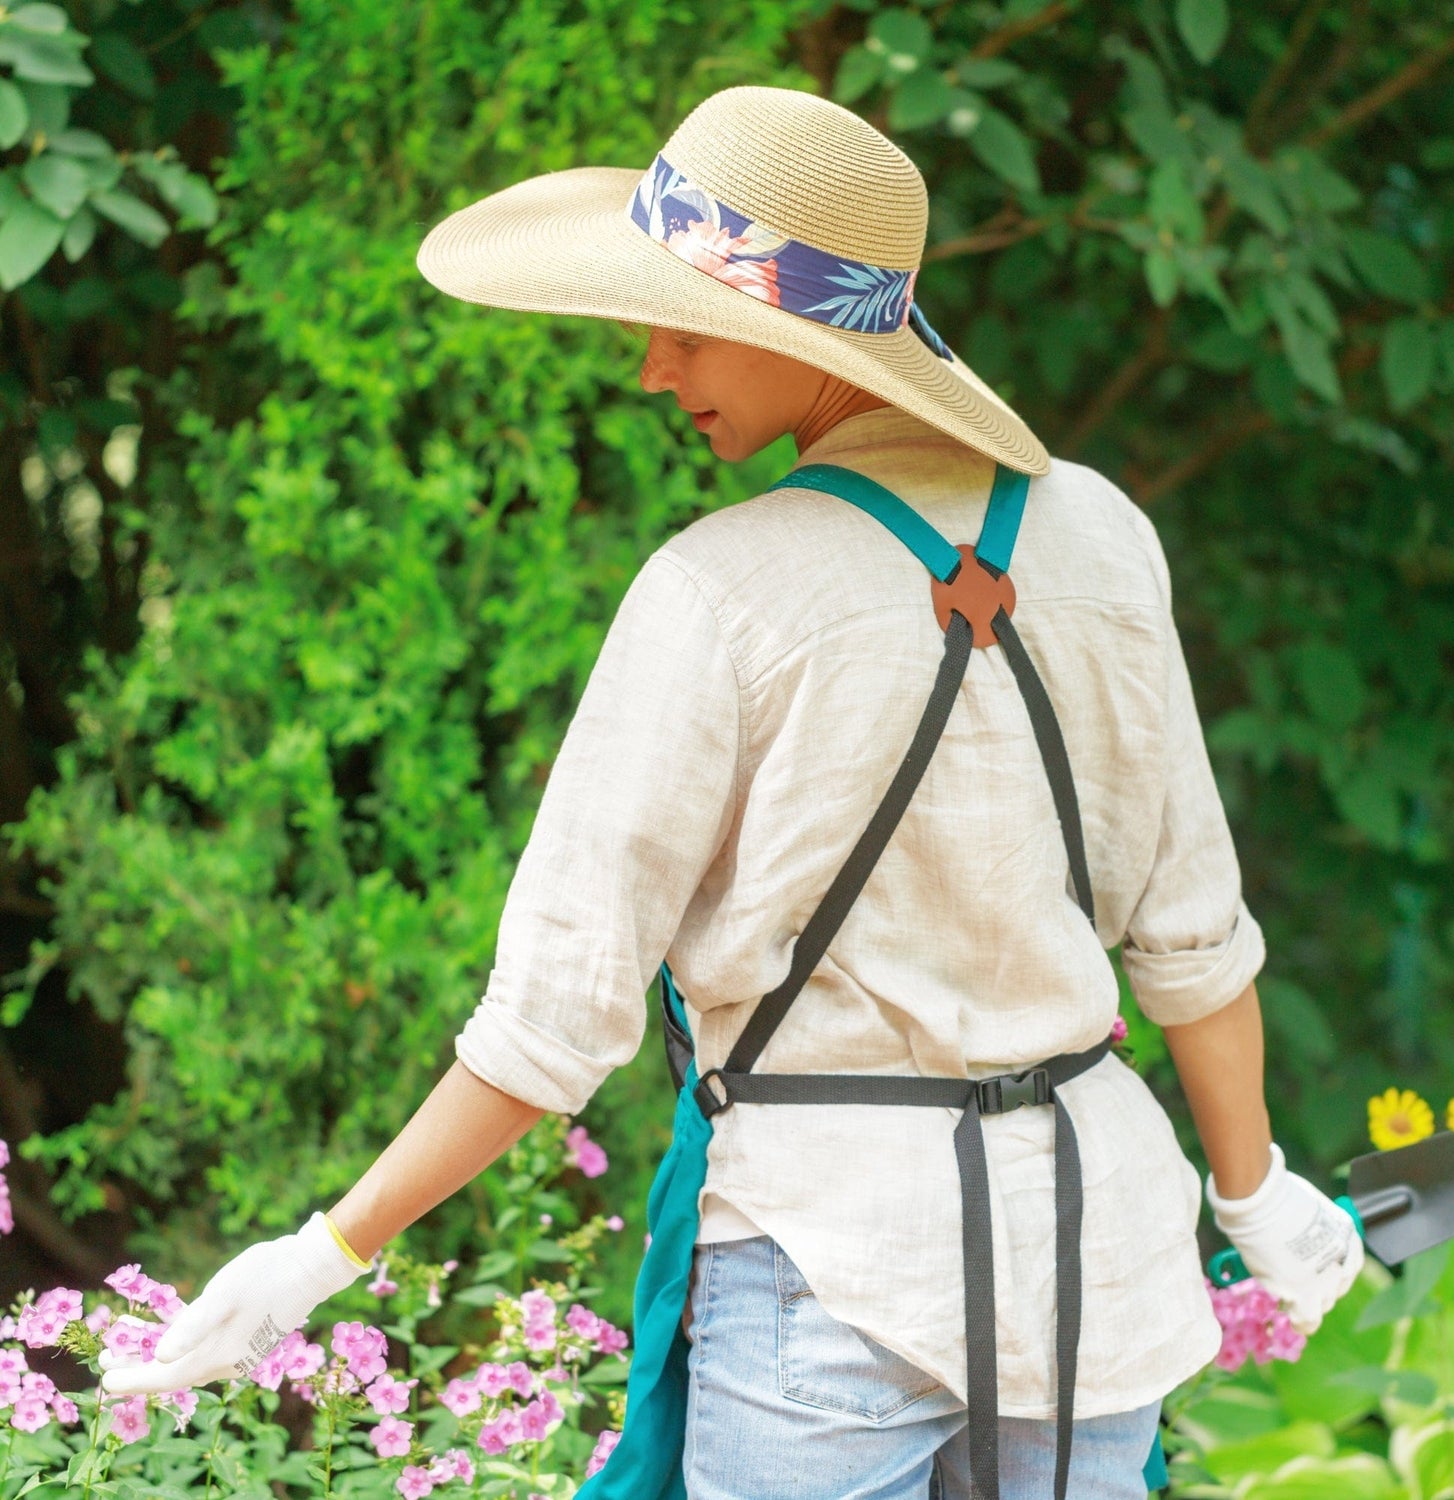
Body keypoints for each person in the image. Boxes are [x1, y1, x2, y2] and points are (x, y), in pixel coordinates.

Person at [100, 85, 1363, 1499]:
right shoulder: (1105, 540)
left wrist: (322, 1252)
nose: (652, 369)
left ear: (802, 342)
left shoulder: (718, 591)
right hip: (1086, 1269)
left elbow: (553, 1017)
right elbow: (1190, 934)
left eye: (689, 329)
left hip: (832, 1275)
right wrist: (1252, 1195)